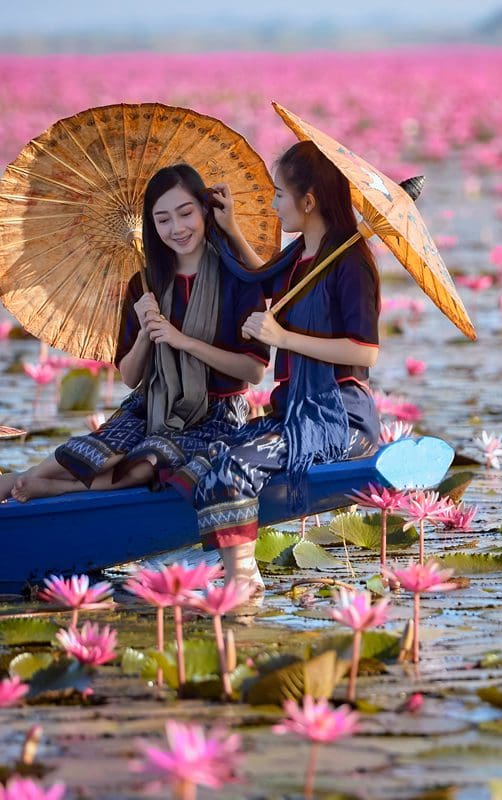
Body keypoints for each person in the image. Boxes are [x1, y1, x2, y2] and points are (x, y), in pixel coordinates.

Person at [0, 164, 270, 510]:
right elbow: (130, 378)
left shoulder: (237, 278)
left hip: (217, 414)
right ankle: (21, 477)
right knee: (98, 452)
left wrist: (183, 341)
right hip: (154, 404)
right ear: (151, 225)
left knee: (145, 465)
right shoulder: (144, 285)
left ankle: (57, 490)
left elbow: (254, 371)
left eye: (185, 213)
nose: (177, 228)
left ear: (205, 210)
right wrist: (146, 332)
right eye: (162, 220)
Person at [164, 141, 381, 593]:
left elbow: (365, 353)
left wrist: (283, 339)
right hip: (293, 414)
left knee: (233, 469)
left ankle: (244, 581)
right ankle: (212, 564)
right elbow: (262, 281)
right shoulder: (302, 253)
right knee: (203, 457)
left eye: (280, 194)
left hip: (338, 419)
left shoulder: (351, 262)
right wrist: (230, 228)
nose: (273, 203)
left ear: (309, 200)